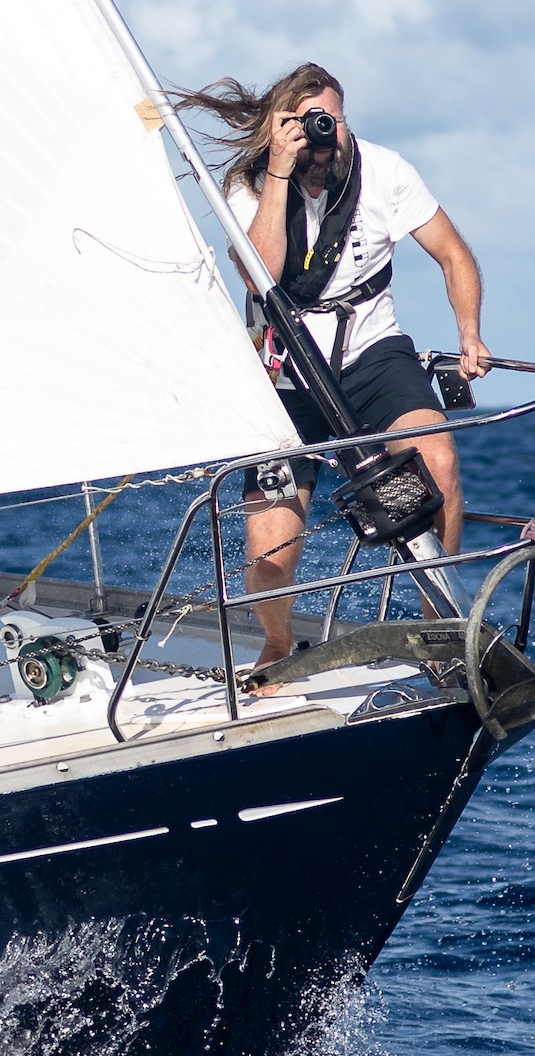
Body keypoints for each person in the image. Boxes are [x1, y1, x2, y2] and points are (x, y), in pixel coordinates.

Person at [172, 63, 492, 673]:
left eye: (333, 121)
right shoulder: (250, 182)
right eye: (308, 123)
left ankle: (441, 629)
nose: (325, 135)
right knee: (270, 552)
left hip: (373, 355)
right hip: (288, 374)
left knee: (438, 460)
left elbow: (454, 254)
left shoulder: (386, 171)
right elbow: (260, 275)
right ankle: (276, 641)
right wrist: (279, 171)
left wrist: (469, 333)